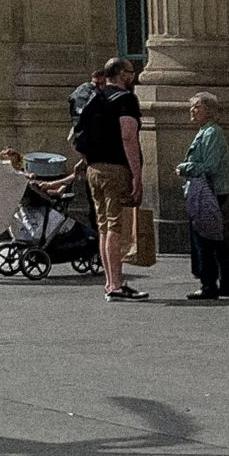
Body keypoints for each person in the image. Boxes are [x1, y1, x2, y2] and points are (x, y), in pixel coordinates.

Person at [71, 56, 146, 302]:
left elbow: (75, 135)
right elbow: (128, 137)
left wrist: (87, 159)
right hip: (115, 168)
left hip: (94, 169)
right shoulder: (126, 99)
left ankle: (110, 282)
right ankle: (116, 284)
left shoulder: (95, 97)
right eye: (130, 71)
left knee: (104, 226)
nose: (133, 75)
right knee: (115, 226)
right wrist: (137, 174)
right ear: (121, 74)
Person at [177, 92, 229, 303]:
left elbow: (210, 167)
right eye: (192, 106)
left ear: (209, 110)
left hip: (211, 190)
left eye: (197, 107)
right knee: (215, 238)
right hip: (211, 189)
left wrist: (185, 168)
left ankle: (209, 284)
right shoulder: (206, 131)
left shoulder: (212, 133)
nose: (192, 111)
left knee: (204, 237)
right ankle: (224, 282)